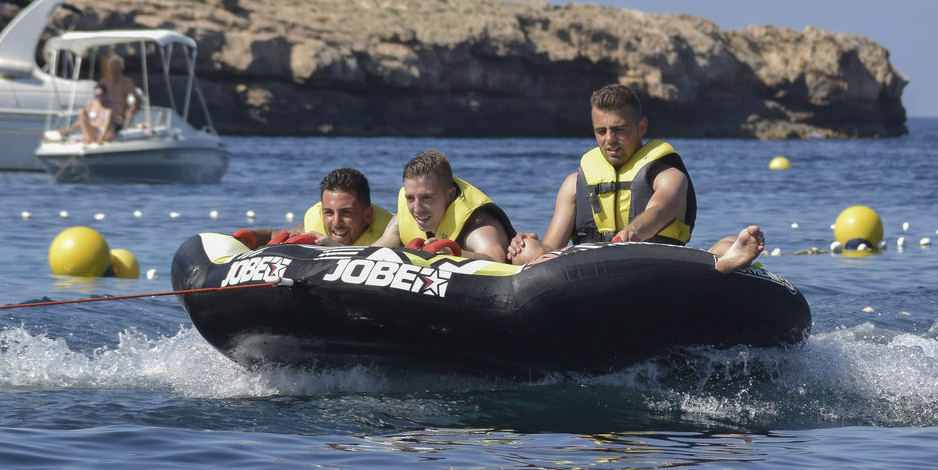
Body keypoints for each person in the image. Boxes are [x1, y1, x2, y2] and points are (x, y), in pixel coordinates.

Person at [507, 83, 765, 274]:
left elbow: (660, 210)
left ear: (641, 127)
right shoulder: (573, 185)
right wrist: (525, 244)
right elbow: (552, 247)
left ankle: (723, 264)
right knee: (527, 251)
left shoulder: (668, 175)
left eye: (619, 129)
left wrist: (632, 233)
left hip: (656, 263)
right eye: (601, 131)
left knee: (730, 242)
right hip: (587, 269)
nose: (610, 140)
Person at [373, 149, 516, 262]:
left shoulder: (476, 224)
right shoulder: (402, 218)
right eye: (410, 198)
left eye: (427, 197)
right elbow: (376, 250)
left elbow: (496, 260)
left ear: (450, 195)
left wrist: (453, 253)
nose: (417, 208)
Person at [235, 168, 393, 248]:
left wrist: (336, 249)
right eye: (329, 213)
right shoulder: (314, 227)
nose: (336, 223)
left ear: (368, 215)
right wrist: (250, 236)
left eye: (346, 212)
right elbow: (274, 234)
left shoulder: (392, 232)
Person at [101, 54, 141, 124]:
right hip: (105, 113)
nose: (114, 69)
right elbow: (97, 98)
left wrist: (131, 110)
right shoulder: (104, 82)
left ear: (121, 68)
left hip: (120, 114)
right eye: (112, 66)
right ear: (109, 67)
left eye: (116, 66)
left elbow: (137, 99)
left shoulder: (127, 81)